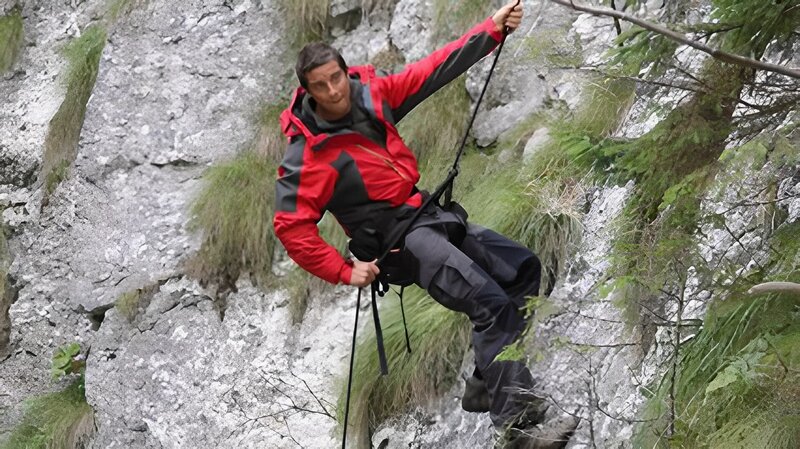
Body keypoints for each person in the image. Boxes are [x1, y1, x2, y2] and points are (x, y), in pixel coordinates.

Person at [274, 1, 576, 446]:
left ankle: (482, 384)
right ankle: (517, 430)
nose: (334, 91)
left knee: (524, 271)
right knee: (490, 304)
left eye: (336, 78)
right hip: (403, 244)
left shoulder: (372, 95)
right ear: (307, 91)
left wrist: (491, 31)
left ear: (345, 71)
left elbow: (433, 70)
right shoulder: (307, 157)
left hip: (429, 216)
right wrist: (343, 270)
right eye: (321, 86)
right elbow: (291, 228)